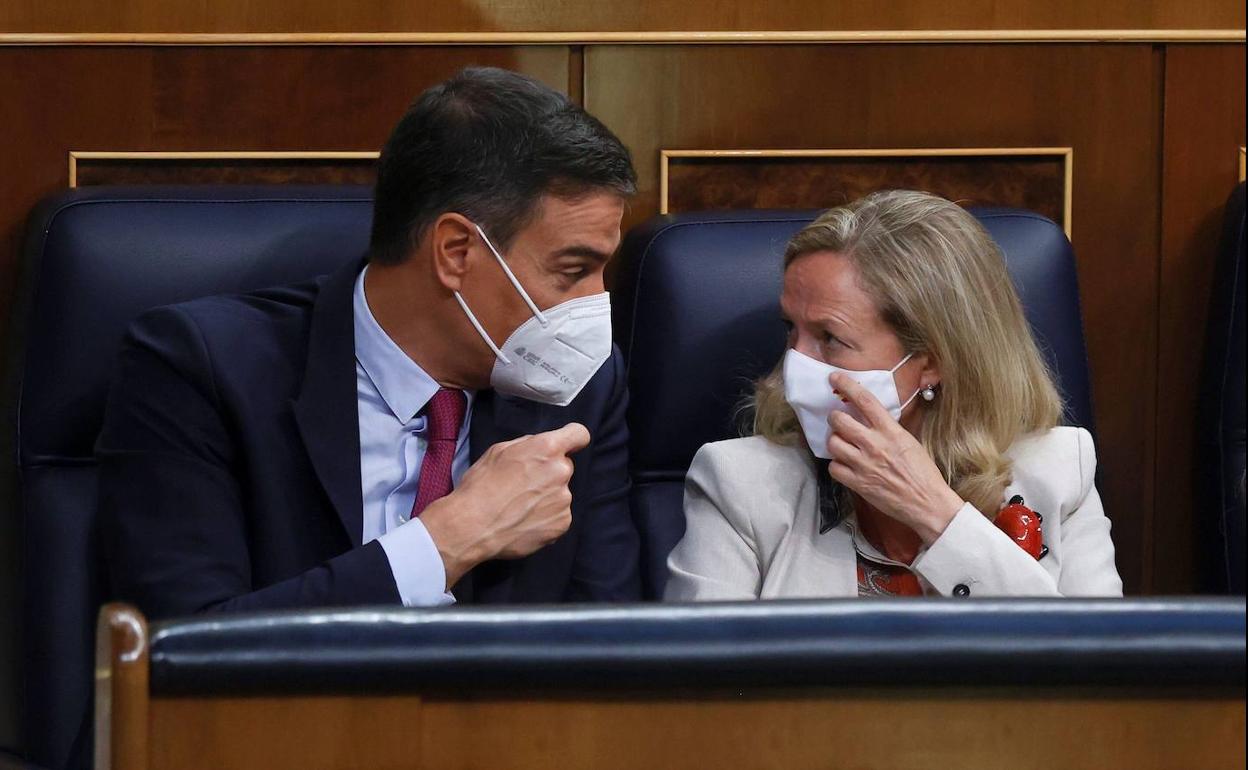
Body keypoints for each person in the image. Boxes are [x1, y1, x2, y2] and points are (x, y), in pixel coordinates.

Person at [98, 67, 642, 618]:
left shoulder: (579, 384)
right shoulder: (199, 370)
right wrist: (449, 540)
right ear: (456, 251)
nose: (594, 303)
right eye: (573, 270)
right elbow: (184, 651)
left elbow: (613, 652)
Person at [666, 190, 1123, 599]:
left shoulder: (1060, 473)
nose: (794, 367)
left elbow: (1094, 675)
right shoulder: (740, 484)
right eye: (792, 330)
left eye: (830, 338)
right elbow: (696, 686)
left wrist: (938, 516)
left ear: (933, 361)